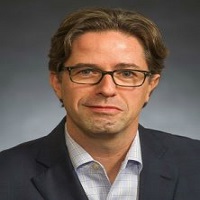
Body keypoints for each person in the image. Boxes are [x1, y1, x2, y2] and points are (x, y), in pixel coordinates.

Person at [0, 7, 200, 200]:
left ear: (150, 86)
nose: (107, 89)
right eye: (87, 71)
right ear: (58, 83)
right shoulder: (5, 175)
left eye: (127, 73)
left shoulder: (195, 163)